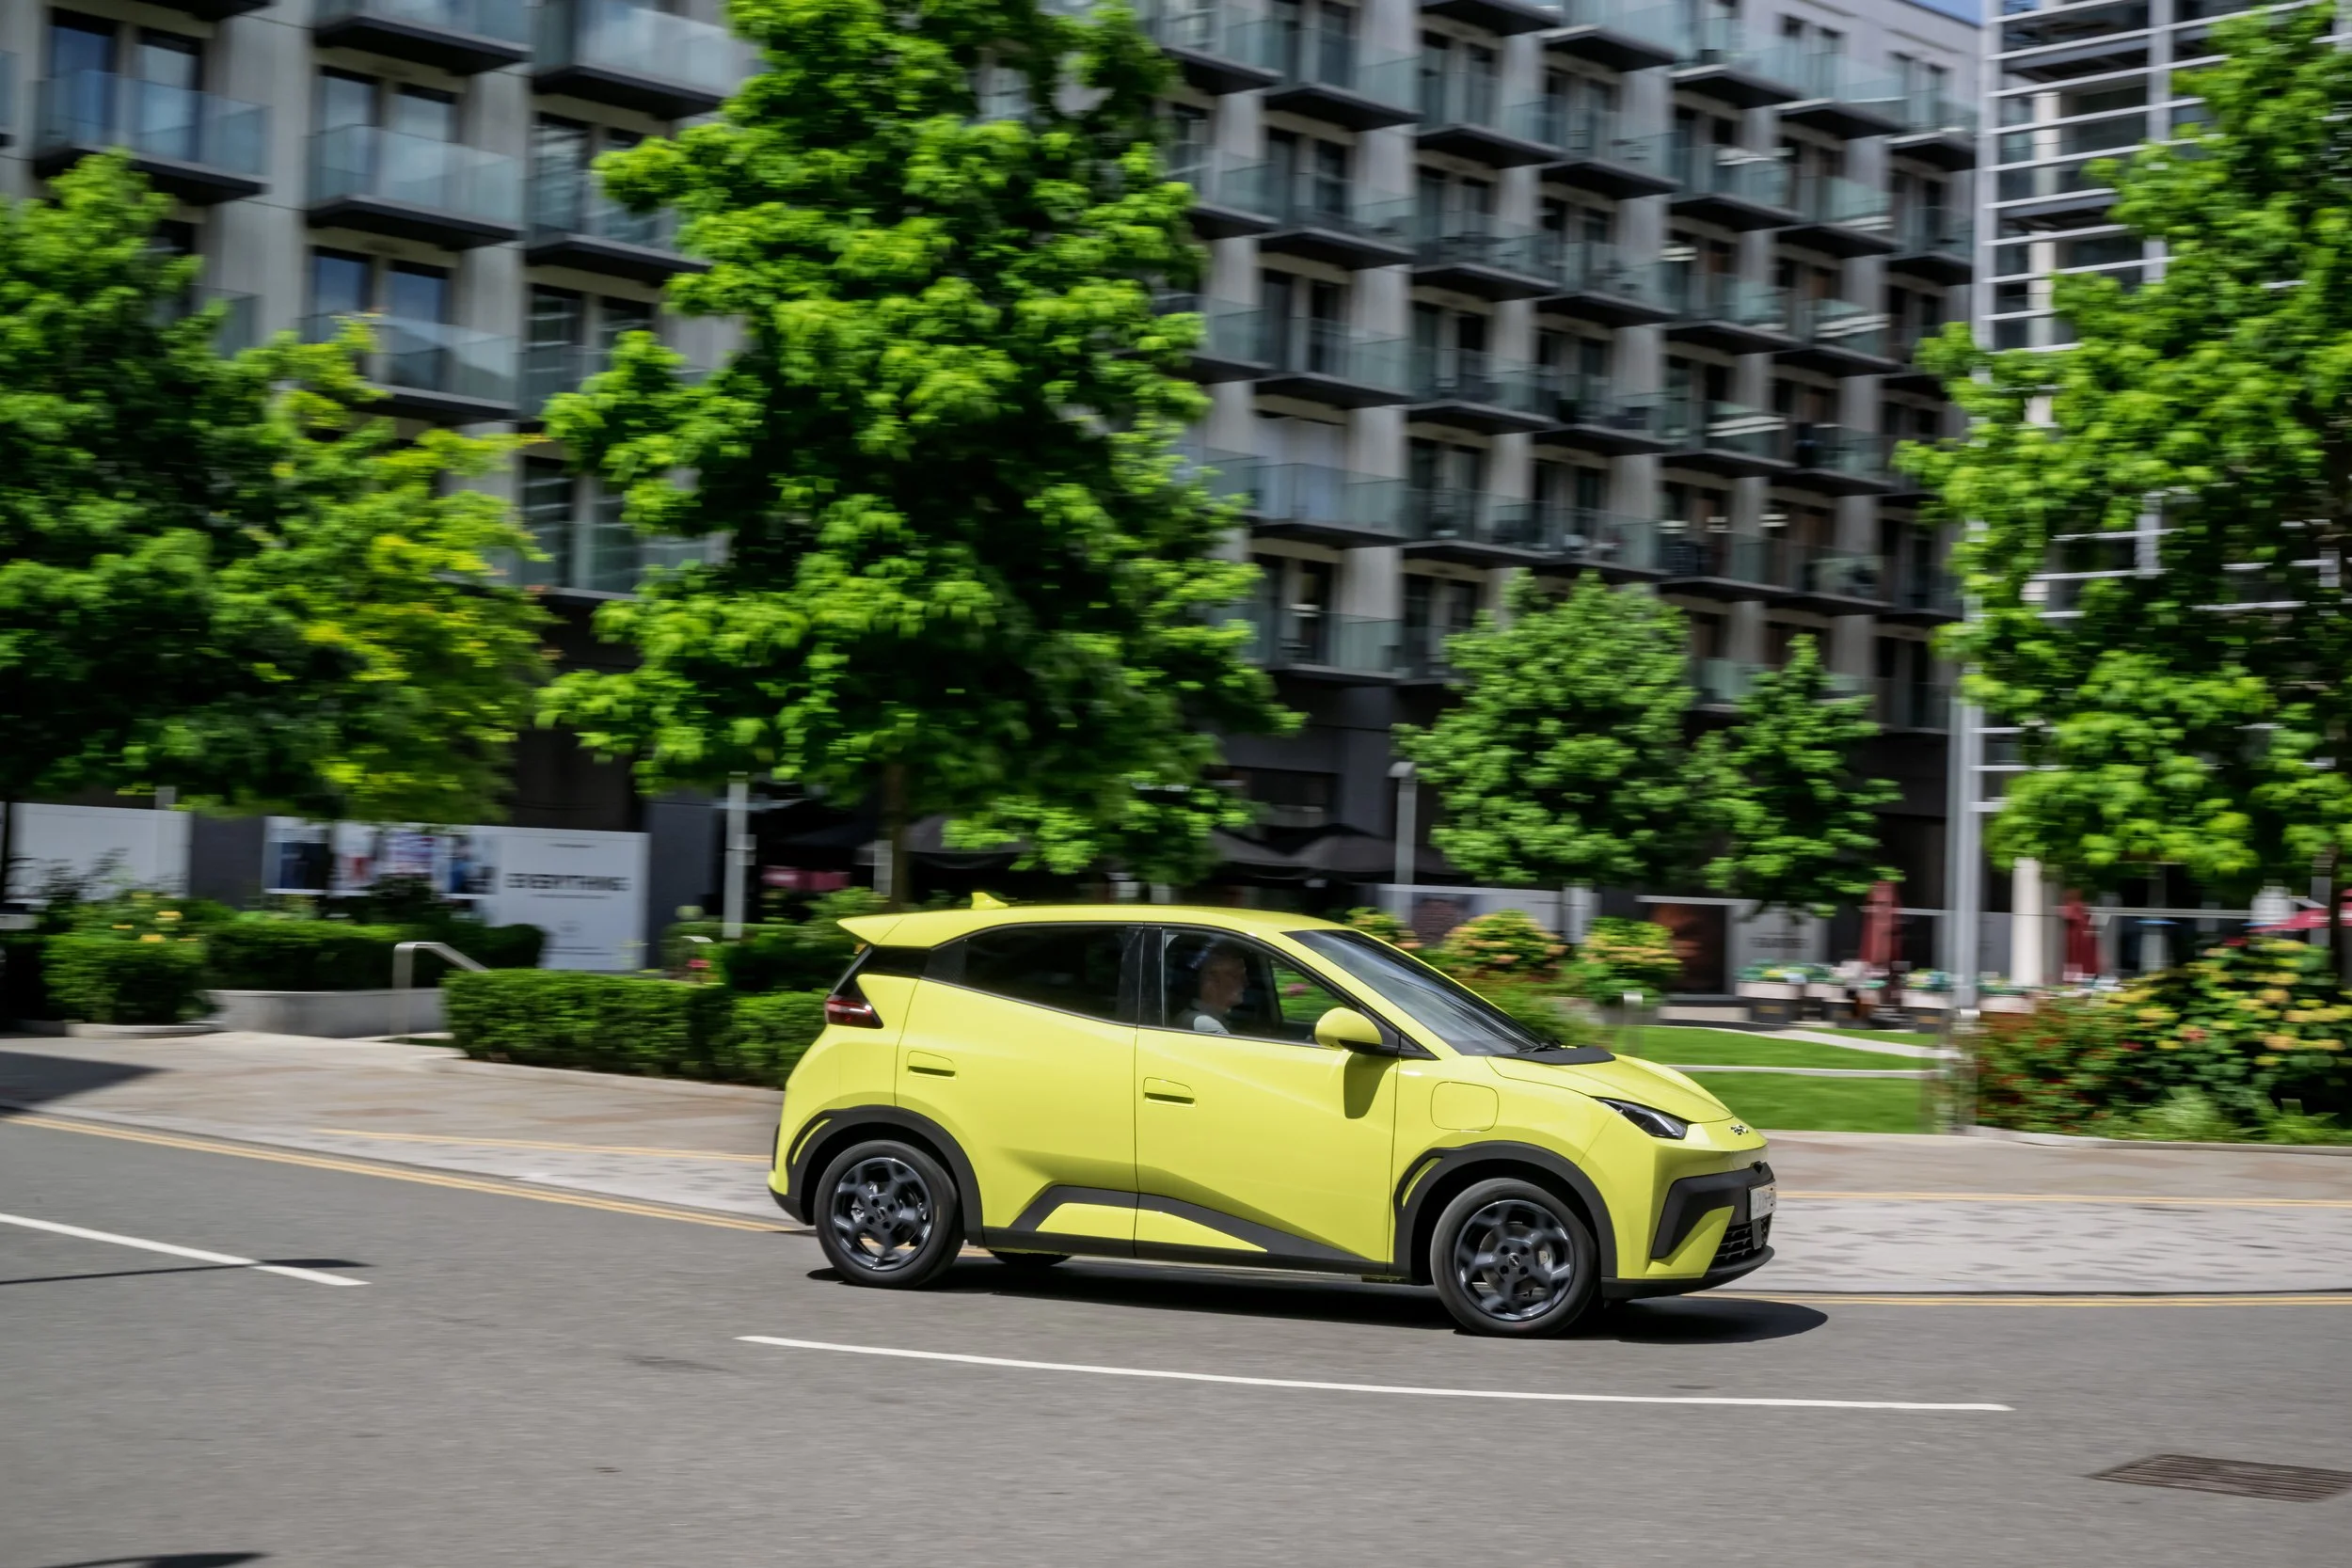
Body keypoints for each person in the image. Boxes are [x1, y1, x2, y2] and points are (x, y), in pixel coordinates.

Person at [1175, 943, 1248, 1034]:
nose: (1245, 982)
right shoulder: (1204, 1023)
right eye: (1235, 976)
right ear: (1212, 981)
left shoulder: (1205, 1016)